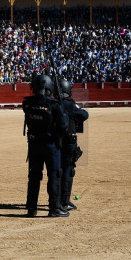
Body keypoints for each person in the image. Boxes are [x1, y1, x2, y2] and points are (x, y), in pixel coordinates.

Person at [23, 74, 69, 218]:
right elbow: (63, 126)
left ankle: (31, 208)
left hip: (33, 144)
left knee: (34, 177)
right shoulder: (54, 105)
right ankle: (54, 208)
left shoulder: (28, 104)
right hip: (51, 145)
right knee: (54, 176)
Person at [57, 78, 89, 211]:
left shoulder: (54, 103)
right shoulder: (69, 104)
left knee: (57, 171)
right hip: (68, 142)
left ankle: (55, 200)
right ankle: (64, 201)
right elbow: (84, 115)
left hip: (56, 142)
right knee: (68, 171)